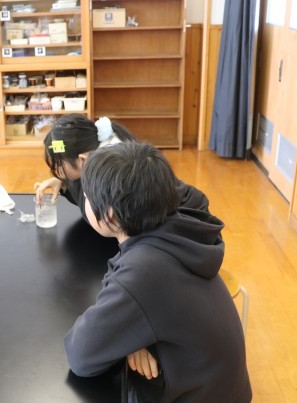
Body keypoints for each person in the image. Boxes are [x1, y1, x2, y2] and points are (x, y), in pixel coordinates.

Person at [64, 142, 252, 402]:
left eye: (86, 197)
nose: (84, 201)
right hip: (221, 391)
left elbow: (81, 353)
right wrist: (130, 337)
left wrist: (124, 335)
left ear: (110, 215)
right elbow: (128, 283)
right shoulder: (176, 230)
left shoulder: (144, 274)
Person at [34, 114, 209, 219]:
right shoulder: (102, 156)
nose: (58, 170)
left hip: (181, 228)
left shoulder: (118, 181)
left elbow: (97, 215)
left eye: (59, 164)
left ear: (82, 159)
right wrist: (64, 183)